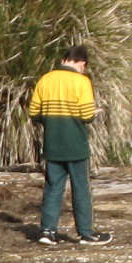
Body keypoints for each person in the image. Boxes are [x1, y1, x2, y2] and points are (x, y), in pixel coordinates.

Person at [30, 46, 112, 245]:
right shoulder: (81, 81)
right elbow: (86, 115)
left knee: (52, 188)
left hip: (52, 143)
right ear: (81, 63)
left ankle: (47, 231)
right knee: (81, 188)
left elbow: (34, 113)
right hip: (75, 143)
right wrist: (94, 113)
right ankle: (85, 232)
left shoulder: (45, 79)